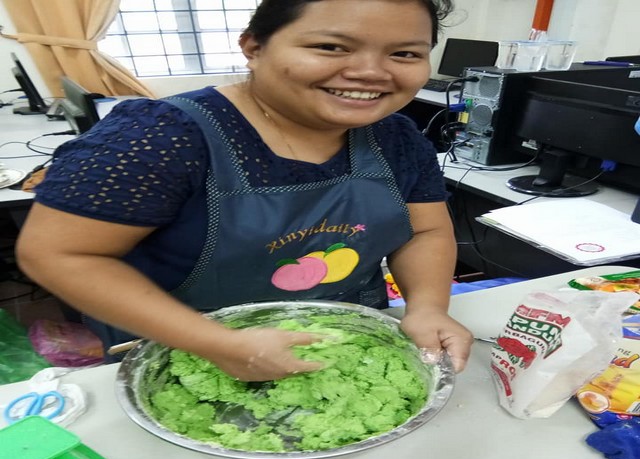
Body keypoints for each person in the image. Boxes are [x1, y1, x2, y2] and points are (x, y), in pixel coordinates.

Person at [16, 0, 473, 380]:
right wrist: (219, 344)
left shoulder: (396, 138)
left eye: (405, 54)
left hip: (346, 341)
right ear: (253, 47)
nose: (371, 72)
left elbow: (424, 231)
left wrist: (428, 308)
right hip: (179, 352)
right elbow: (59, 254)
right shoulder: (159, 137)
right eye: (331, 46)